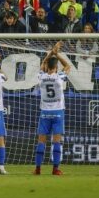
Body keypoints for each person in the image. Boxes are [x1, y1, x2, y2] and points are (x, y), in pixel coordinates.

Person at [34, 42, 71, 176]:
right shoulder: (59, 77)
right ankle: (55, 169)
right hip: (57, 112)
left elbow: (42, 64)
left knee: (41, 141)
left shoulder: (41, 77)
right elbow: (68, 66)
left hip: (45, 113)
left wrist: (50, 54)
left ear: (46, 67)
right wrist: (57, 53)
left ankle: (38, 169)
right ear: (56, 67)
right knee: (56, 141)